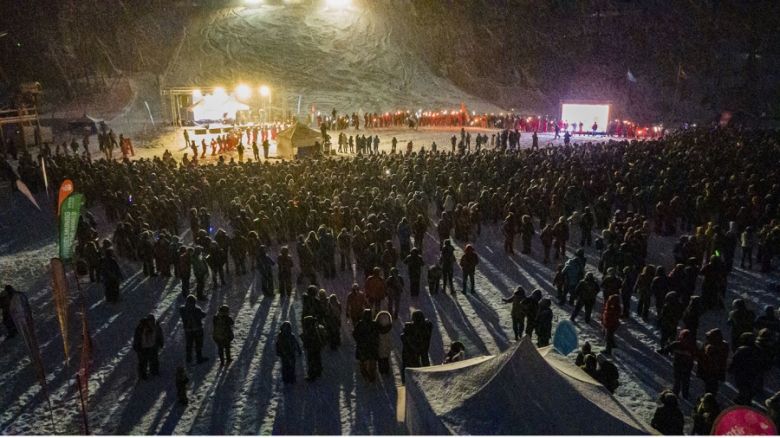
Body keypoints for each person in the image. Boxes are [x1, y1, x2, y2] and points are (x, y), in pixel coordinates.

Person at [657, 329, 697, 400]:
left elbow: (697, 355)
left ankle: (682, 394)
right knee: (680, 380)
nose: (685, 341)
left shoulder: (688, 346)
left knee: (683, 380)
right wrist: (663, 351)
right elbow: (667, 349)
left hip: (685, 366)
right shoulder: (678, 344)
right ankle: (680, 394)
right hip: (680, 365)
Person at [729, 332, 763, 405]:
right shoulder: (758, 349)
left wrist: (730, 369)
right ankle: (745, 399)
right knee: (749, 387)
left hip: (741, 373)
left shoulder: (741, 350)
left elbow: (735, 360)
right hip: (753, 373)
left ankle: (742, 400)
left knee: (742, 387)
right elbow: (761, 362)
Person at [401, 310, 433, 382]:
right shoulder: (427, 326)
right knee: (424, 359)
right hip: (423, 348)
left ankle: (418, 378)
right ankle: (428, 375)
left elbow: (404, 338)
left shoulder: (411, 329)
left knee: (414, 363)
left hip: (414, 350)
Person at [698, 328, 729, 395]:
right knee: (713, 386)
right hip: (718, 370)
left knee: (710, 387)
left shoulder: (710, 347)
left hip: (709, 370)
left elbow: (701, 357)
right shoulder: (724, 345)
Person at [132, 314, 164, 380]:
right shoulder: (141, 327)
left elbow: (159, 335)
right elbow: (137, 337)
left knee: (154, 360)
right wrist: (136, 346)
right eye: (150, 321)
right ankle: (143, 375)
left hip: (153, 346)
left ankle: (154, 372)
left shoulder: (156, 327)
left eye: (152, 321)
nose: (151, 322)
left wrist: (161, 342)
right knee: (143, 362)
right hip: (143, 348)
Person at [179, 295, 208, 364]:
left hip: (188, 330)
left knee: (189, 345)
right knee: (198, 344)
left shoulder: (182, 309)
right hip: (197, 329)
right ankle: (199, 358)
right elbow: (203, 315)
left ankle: (188, 359)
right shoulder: (196, 310)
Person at [353, 309, 380, 382]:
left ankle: (365, 375)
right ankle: (372, 376)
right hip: (372, 346)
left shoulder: (360, 324)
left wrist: (359, 341)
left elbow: (355, 334)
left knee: (362, 361)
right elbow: (378, 334)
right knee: (372, 361)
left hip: (362, 346)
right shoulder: (374, 324)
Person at [301, 315, 323, 381]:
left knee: (311, 361)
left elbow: (308, 340)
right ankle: (318, 371)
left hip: (312, 348)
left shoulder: (310, 330)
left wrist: (303, 338)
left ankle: (312, 375)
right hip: (317, 347)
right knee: (317, 359)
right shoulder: (315, 328)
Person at [375, 311, 394, 375]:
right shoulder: (389, 329)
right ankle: (386, 370)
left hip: (380, 347)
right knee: (386, 359)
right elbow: (390, 340)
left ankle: (381, 370)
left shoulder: (377, 330)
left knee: (380, 359)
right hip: (386, 348)